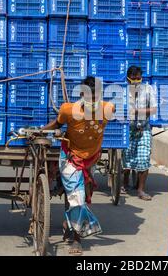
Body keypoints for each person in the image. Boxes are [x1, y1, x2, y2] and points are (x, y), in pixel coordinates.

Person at [42, 76, 115, 255]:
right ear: (81, 94)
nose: (92, 100)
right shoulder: (68, 110)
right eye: (88, 96)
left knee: (83, 194)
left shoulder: (108, 109)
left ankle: (70, 221)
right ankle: (77, 239)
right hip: (71, 157)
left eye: (95, 96)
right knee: (78, 198)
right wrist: (40, 131)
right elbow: (57, 124)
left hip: (92, 158)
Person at [122, 66, 157, 201]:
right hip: (127, 129)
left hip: (143, 129)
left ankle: (141, 190)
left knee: (143, 159)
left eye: (139, 78)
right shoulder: (122, 91)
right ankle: (125, 183)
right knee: (126, 160)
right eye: (134, 79)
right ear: (128, 78)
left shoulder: (148, 89)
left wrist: (138, 112)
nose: (136, 81)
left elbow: (153, 109)